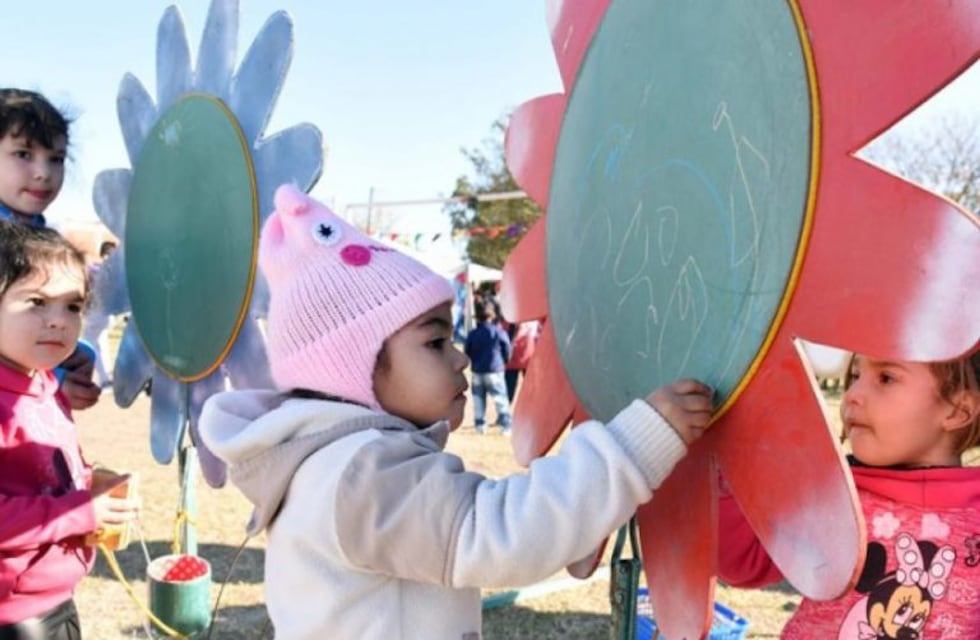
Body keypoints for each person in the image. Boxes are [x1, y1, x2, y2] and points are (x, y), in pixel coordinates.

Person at [199, 185, 715, 640]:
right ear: (353, 366)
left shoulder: (333, 464)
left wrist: (585, 516)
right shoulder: (363, 471)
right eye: (435, 341)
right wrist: (632, 447)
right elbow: (495, 534)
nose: (460, 356)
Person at [718, 350, 980, 639]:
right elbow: (743, 563)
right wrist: (728, 474)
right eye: (855, 376)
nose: (852, 394)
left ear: (958, 410)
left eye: (886, 378)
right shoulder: (831, 491)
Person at [0, 221, 139, 639]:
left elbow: (43, 471)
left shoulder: (46, 383)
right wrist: (77, 511)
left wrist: (89, 480)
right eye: (37, 302)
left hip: (57, 596)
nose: (58, 321)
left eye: (73, 306)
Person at [0, 88, 99, 411]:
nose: (43, 173)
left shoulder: (39, 236)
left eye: (55, 158)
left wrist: (72, 353)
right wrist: (53, 379)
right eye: (24, 154)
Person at [464, 300, 512, 434]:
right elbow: (507, 348)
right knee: (500, 399)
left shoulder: (473, 333)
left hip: (478, 370)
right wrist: (505, 360)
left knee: (478, 400)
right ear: (492, 316)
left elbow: (467, 351)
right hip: (495, 369)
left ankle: (480, 426)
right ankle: (505, 427)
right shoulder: (498, 331)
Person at [503, 319, 540, 404]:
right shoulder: (535, 319)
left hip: (513, 359)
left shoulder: (508, 318)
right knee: (533, 391)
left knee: (508, 393)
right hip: (528, 357)